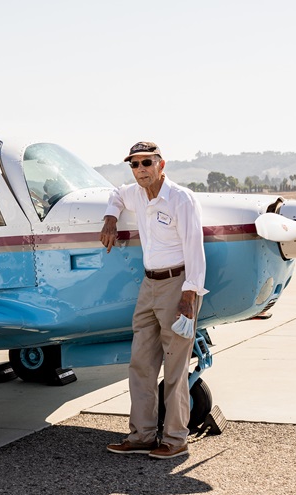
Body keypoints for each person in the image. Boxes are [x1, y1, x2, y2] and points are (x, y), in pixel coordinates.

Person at [99, 141, 207, 460]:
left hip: (178, 285)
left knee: (175, 366)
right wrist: (110, 218)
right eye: (134, 164)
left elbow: (194, 249)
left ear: (162, 165)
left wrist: (190, 296)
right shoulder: (135, 193)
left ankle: (175, 438)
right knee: (141, 362)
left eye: (146, 163)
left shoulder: (181, 199)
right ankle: (142, 435)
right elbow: (116, 194)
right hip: (149, 284)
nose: (140, 169)